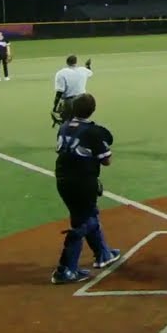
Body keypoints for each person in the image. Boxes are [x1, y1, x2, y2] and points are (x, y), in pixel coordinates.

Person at [51, 94, 120, 284]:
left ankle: (103, 254)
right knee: (85, 221)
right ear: (93, 110)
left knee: (86, 214)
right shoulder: (93, 132)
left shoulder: (63, 127)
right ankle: (65, 269)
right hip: (82, 181)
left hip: (62, 180)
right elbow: (106, 160)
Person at [52, 55, 94, 127]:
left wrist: (55, 106)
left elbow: (59, 91)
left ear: (67, 62)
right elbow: (89, 72)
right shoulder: (83, 70)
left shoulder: (61, 73)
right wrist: (87, 65)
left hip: (69, 102)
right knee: (81, 122)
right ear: (76, 62)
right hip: (83, 100)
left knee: (67, 124)